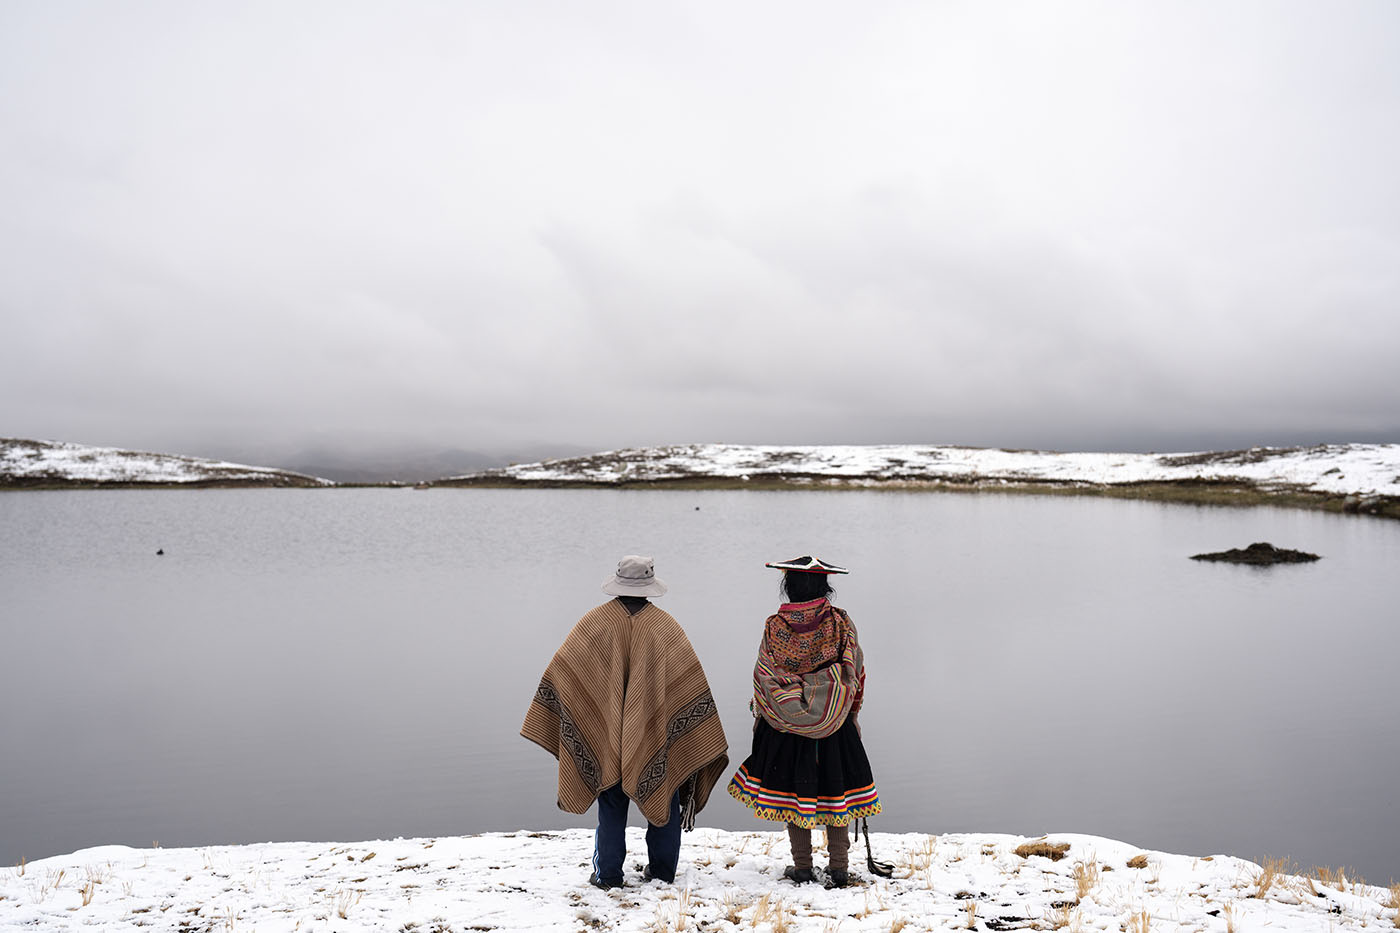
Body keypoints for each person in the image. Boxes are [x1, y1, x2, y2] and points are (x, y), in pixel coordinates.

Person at [522, 555, 729, 890]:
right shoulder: (666, 628)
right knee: (664, 793)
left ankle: (608, 875)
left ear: (617, 583)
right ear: (649, 586)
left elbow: (562, 673)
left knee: (611, 801)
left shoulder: (594, 623)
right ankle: (662, 874)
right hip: (657, 737)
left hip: (605, 737)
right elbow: (688, 687)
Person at [727, 555, 880, 888]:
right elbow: (857, 672)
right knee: (836, 790)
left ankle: (803, 867)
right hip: (836, 723)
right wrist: (852, 713)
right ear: (825, 586)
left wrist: (768, 713)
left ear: (789, 587)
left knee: (794, 792)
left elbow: (763, 676)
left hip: (784, 724)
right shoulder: (840, 623)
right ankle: (839, 868)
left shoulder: (774, 626)